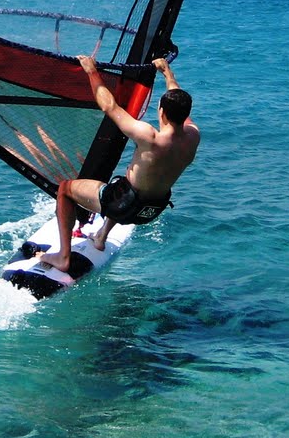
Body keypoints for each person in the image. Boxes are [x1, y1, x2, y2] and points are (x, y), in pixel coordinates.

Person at [39, 55, 199, 275]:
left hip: (123, 206)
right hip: (151, 210)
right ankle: (101, 237)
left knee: (65, 188)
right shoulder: (193, 136)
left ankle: (63, 257)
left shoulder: (149, 137)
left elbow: (109, 105)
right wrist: (167, 73)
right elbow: (180, 103)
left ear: (161, 111)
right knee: (125, 183)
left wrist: (91, 72)